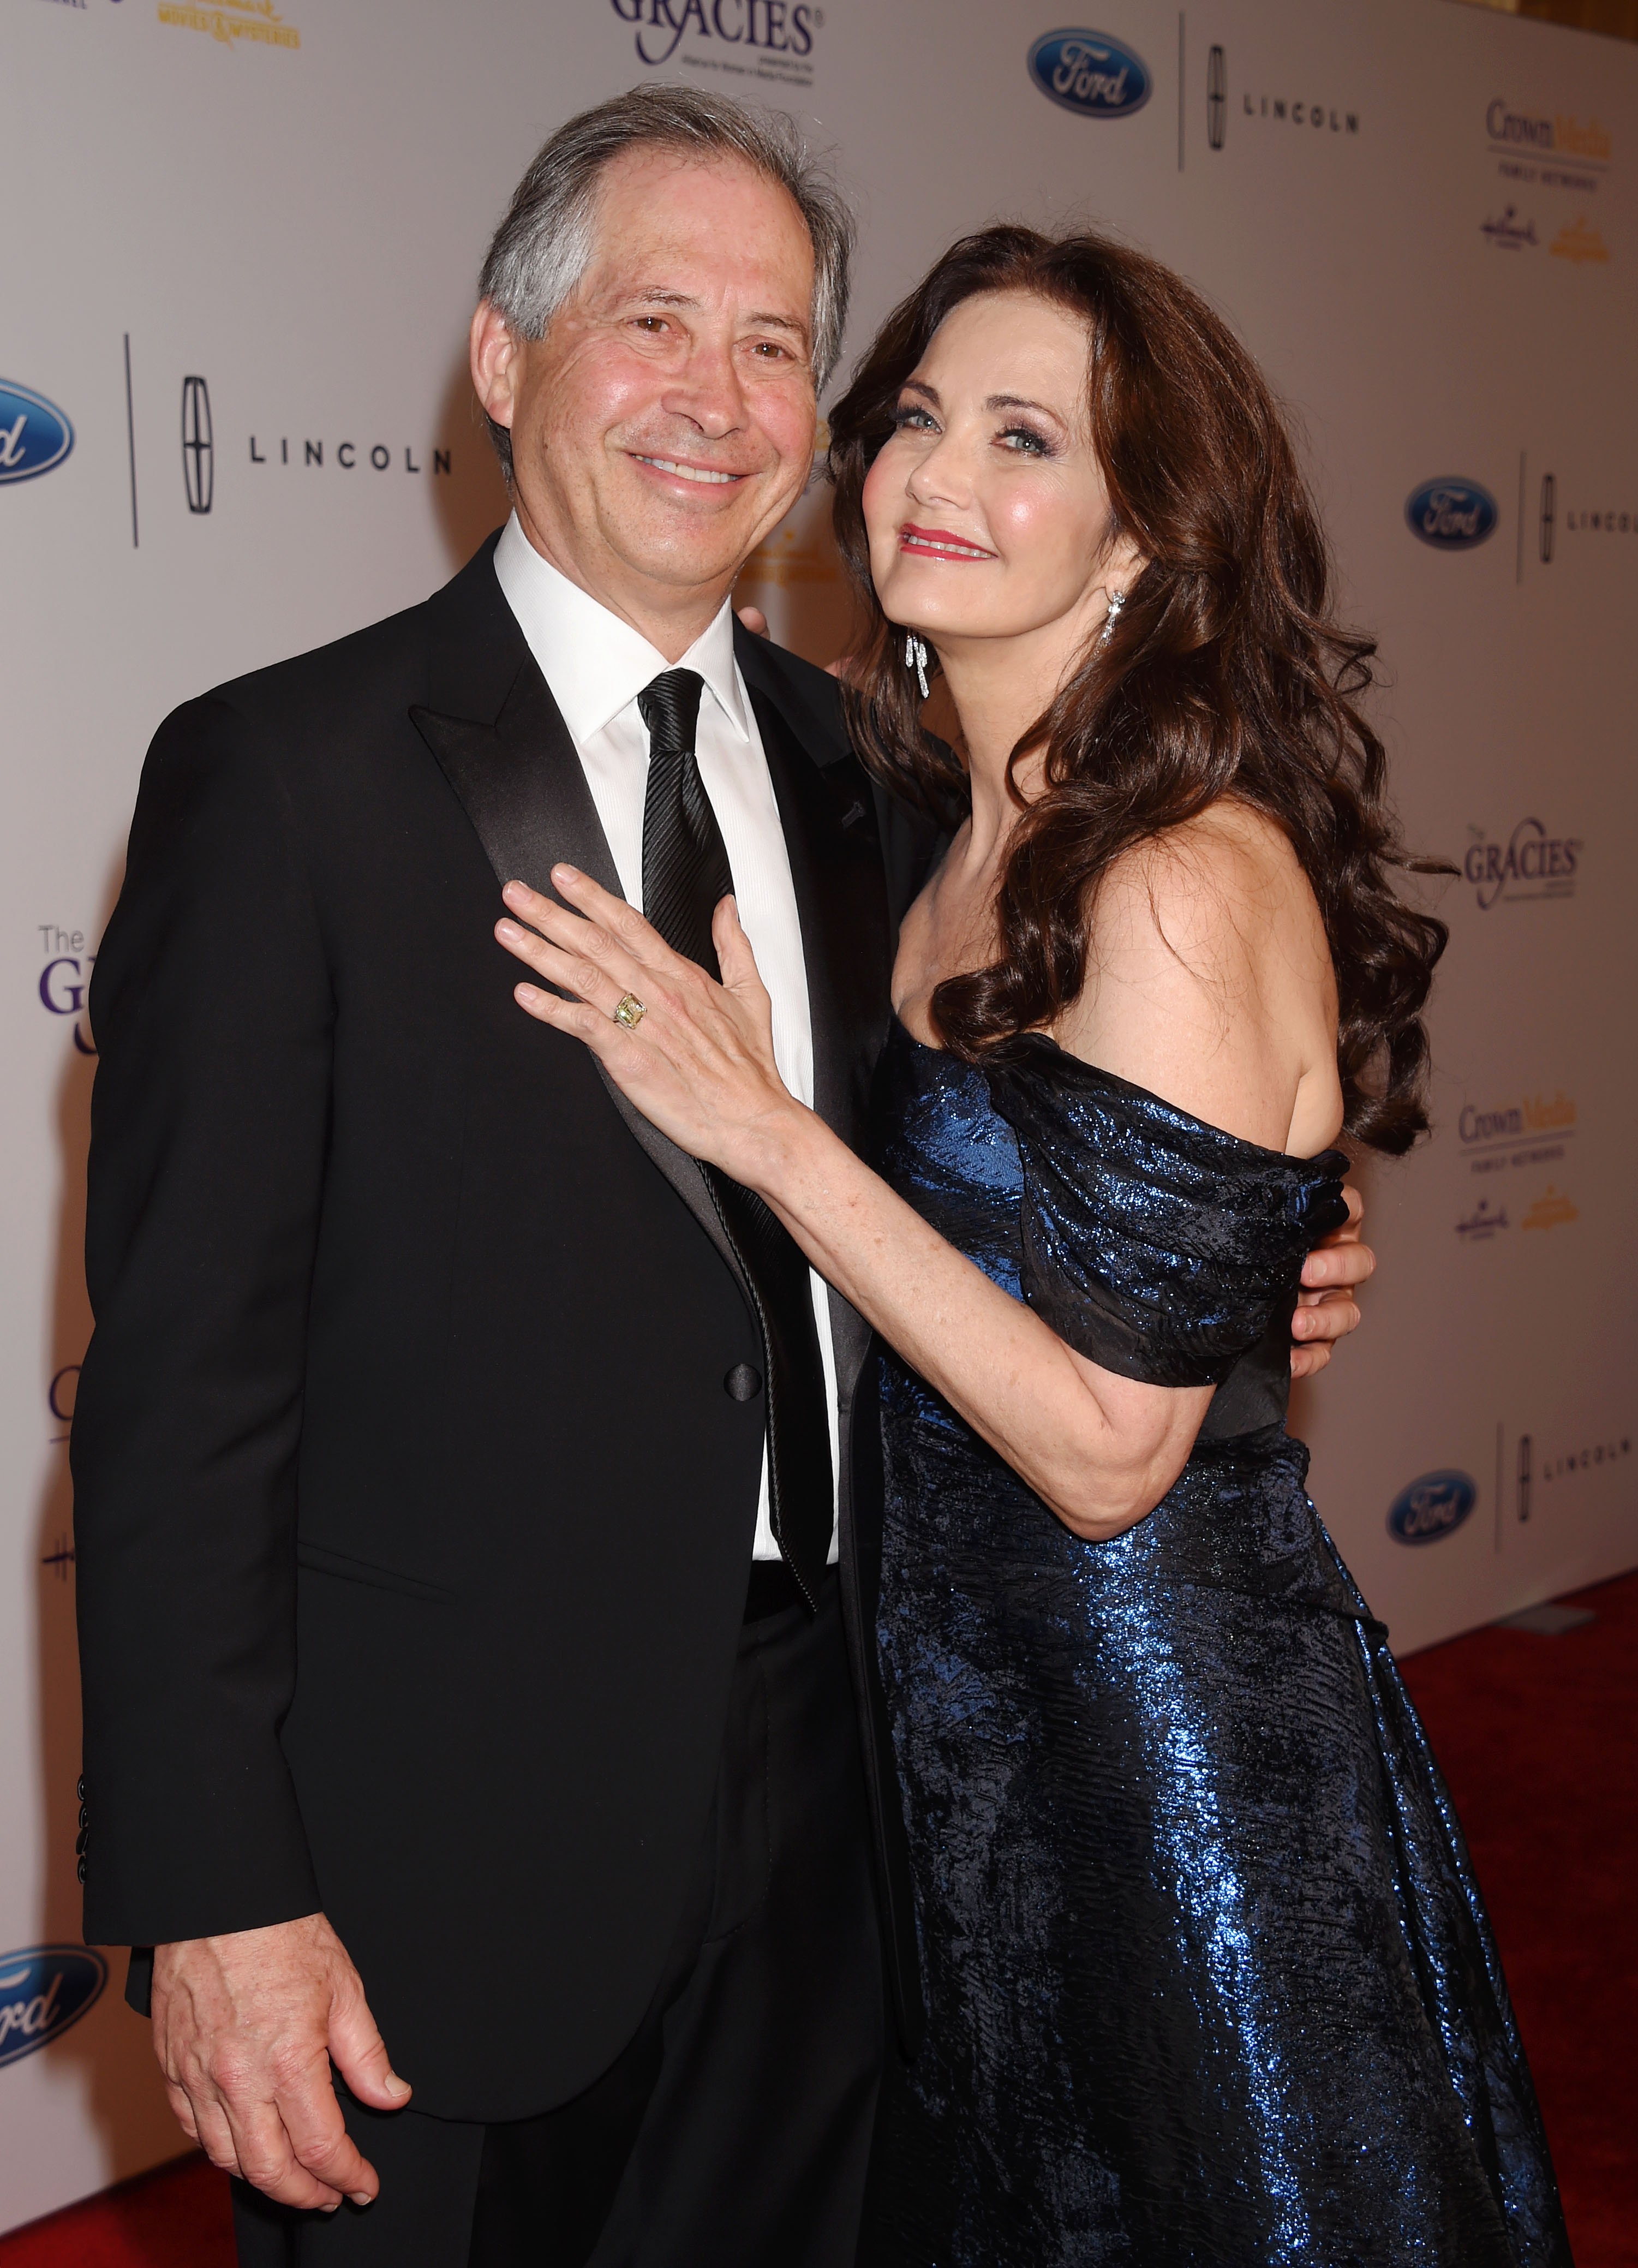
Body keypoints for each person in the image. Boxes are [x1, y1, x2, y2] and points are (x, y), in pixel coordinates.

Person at [71, 88, 1370, 2267]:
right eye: (652, 321)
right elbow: (178, 1401)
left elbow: (1049, 1160)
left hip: (853, 1817)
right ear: (503, 362)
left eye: (776, 344)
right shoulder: (282, 778)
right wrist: (218, 1894)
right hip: (435, 1864)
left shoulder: (894, 783)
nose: (718, 394)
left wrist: (1245, 1261)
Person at [492, 226, 1571, 2265]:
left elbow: (1102, 1450)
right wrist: (1264, 1272)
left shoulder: (1170, 873)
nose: (930, 475)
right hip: (968, 1752)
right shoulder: (939, 824)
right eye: (911, 416)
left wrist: (768, 1131)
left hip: (1170, 1758)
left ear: (1145, 536)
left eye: (1021, 438)